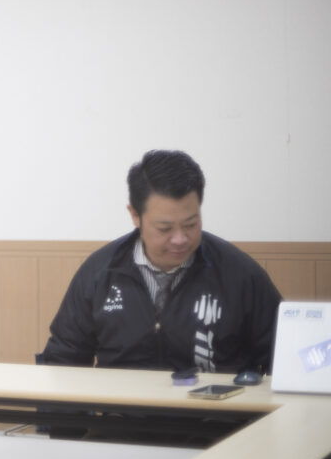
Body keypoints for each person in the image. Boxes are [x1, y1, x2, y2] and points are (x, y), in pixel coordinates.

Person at [42, 149, 282, 374]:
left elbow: (281, 356)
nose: (180, 239)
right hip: (121, 405)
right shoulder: (100, 273)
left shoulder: (239, 274)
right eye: (165, 228)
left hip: (213, 405)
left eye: (191, 224)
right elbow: (63, 359)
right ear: (135, 215)